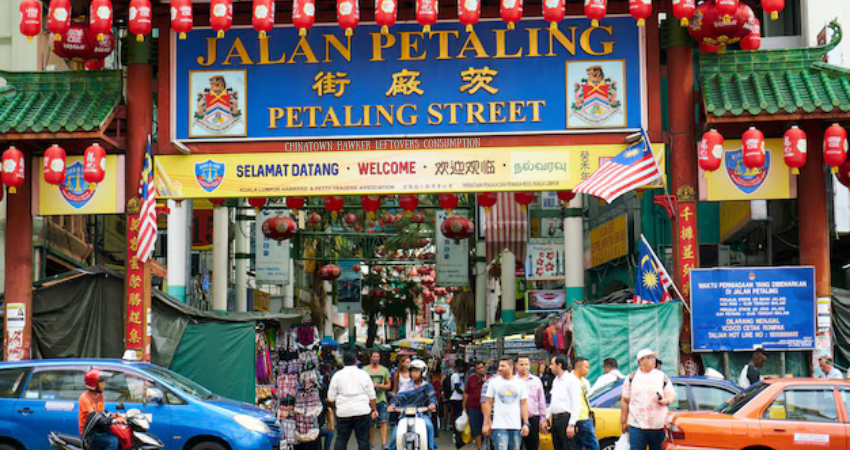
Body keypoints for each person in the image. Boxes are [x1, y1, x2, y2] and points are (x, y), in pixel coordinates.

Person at [621, 349, 676, 450]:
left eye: (653, 358)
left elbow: (671, 394)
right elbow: (625, 400)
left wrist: (666, 400)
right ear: (640, 361)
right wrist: (623, 421)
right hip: (637, 426)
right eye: (649, 358)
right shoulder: (631, 378)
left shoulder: (661, 376)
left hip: (658, 426)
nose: (653, 360)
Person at [328, 350, 380, 450]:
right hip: (362, 410)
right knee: (363, 440)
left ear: (343, 361)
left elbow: (331, 397)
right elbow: (372, 396)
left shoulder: (337, 376)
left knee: (341, 439)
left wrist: (337, 407)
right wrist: (374, 410)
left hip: (343, 411)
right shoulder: (364, 374)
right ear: (355, 361)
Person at [388, 360, 438, 450]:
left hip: (421, 414)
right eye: (412, 371)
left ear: (423, 372)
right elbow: (399, 397)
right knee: (395, 436)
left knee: (429, 426)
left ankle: (431, 448)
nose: (414, 373)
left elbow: (432, 397)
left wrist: (432, 404)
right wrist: (392, 404)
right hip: (404, 414)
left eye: (416, 371)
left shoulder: (427, 386)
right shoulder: (406, 386)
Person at [482, 357, 530, 450]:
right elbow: (488, 403)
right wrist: (486, 423)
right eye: (499, 366)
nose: (500, 368)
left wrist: (526, 423)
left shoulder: (520, 383)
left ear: (511, 367)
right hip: (499, 425)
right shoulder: (493, 382)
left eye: (503, 366)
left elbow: (523, 404)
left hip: (515, 426)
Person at [540, 355, 580, 450]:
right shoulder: (556, 381)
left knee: (568, 446)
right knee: (557, 446)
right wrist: (547, 418)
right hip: (556, 419)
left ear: (559, 365)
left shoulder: (571, 380)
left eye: (552, 364)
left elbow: (576, 403)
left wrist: (571, 424)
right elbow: (554, 401)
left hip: (565, 418)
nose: (550, 367)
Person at [78, 369, 124, 450]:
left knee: (120, 436)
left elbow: (102, 413)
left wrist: (115, 415)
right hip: (90, 433)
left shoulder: (100, 396)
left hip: (99, 430)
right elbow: (95, 418)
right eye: (101, 382)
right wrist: (113, 421)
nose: (104, 384)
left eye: (104, 382)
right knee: (113, 441)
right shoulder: (85, 398)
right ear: (93, 384)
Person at [517, 356, 546, 450]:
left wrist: (543, 418)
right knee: (516, 446)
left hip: (533, 418)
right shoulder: (513, 381)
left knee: (533, 446)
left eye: (526, 364)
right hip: (516, 419)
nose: (524, 367)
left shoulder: (536, 381)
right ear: (516, 365)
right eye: (521, 364)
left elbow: (541, 400)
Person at [366, 351, 392, 450]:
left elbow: (389, 385)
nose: (376, 358)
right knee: (370, 424)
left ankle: (384, 443)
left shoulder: (384, 370)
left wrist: (380, 386)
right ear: (371, 358)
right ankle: (372, 444)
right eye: (374, 356)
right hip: (368, 401)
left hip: (381, 399)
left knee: (383, 421)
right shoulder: (365, 370)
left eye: (377, 357)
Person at [571, 358, 598, 450]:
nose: (588, 370)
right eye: (586, 367)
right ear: (578, 367)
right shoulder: (570, 381)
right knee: (592, 445)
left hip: (586, 417)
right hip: (578, 418)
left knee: (579, 445)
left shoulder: (585, 382)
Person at [463, 361, 487, 450]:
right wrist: (464, 407)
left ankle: (485, 445)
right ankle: (479, 447)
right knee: (475, 429)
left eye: (482, 367)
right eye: (478, 368)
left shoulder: (489, 380)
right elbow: (466, 393)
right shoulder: (471, 379)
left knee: (485, 428)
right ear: (476, 370)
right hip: (473, 407)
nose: (480, 370)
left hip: (486, 408)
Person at [449, 361, 467, 449]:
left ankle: (457, 434)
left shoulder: (457, 375)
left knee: (457, 416)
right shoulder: (456, 376)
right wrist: (464, 393)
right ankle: (456, 434)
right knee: (457, 416)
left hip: (457, 398)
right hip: (457, 398)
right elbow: (456, 387)